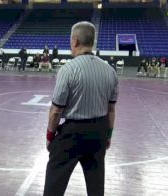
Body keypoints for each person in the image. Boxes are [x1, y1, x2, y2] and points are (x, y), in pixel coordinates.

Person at [43, 21, 118, 196]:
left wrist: (50, 136)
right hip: (99, 131)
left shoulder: (68, 70)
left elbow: (56, 111)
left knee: (55, 179)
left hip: (73, 133)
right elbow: (111, 110)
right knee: (96, 183)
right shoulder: (110, 71)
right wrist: (108, 135)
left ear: (75, 41)